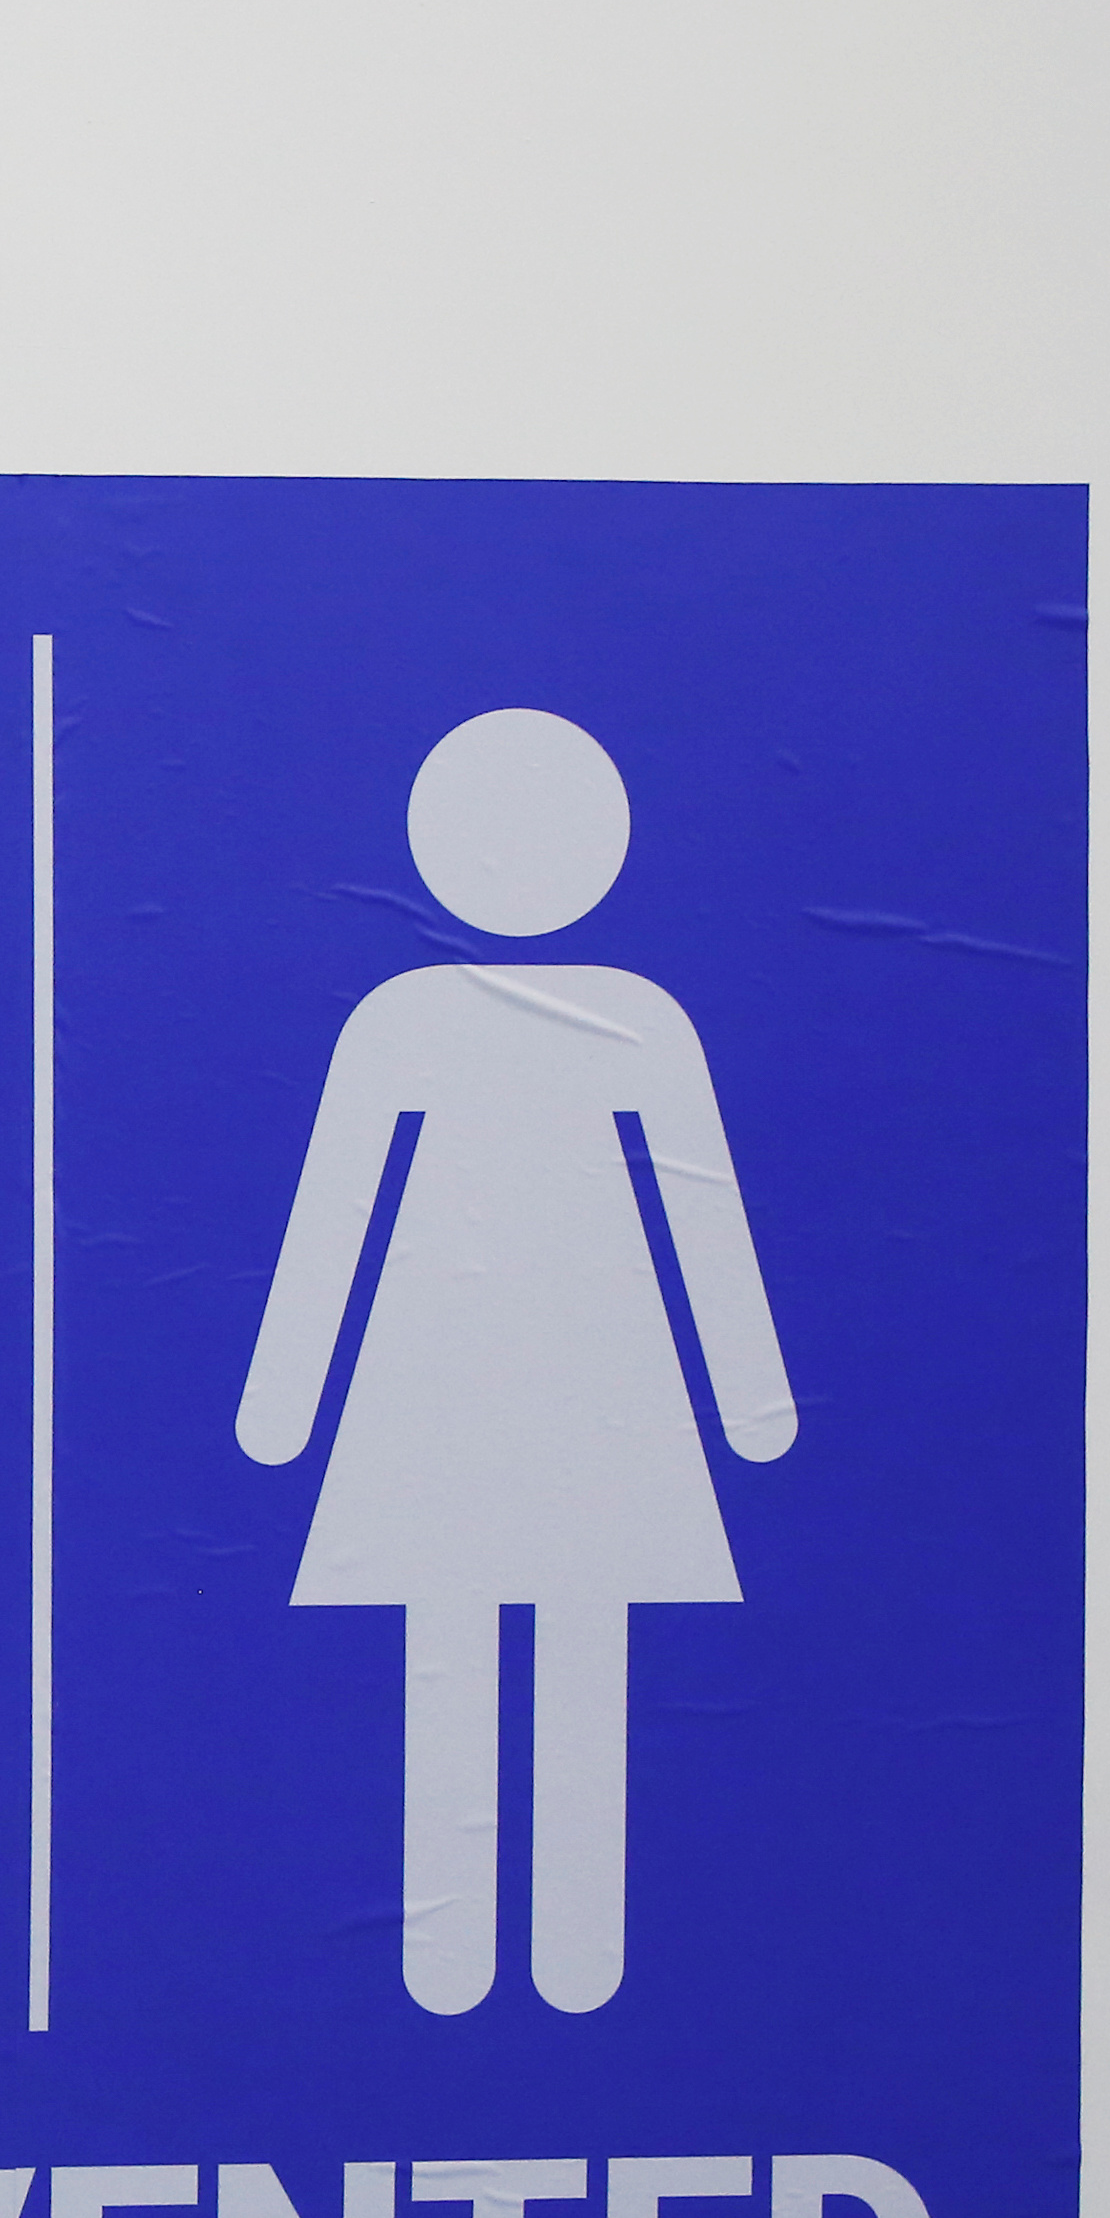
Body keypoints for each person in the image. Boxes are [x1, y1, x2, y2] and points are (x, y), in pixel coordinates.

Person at [234, 708, 794, 2017]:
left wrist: (283, 1404)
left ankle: (560, 1948)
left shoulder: (612, 1020)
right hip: (470, 1369)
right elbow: (342, 1207)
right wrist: (750, 1402)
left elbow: (698, 1208)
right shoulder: (423, 1018)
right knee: (478, 1635)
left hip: (573, 1372)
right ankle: (466, 1949)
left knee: (551, 1632)